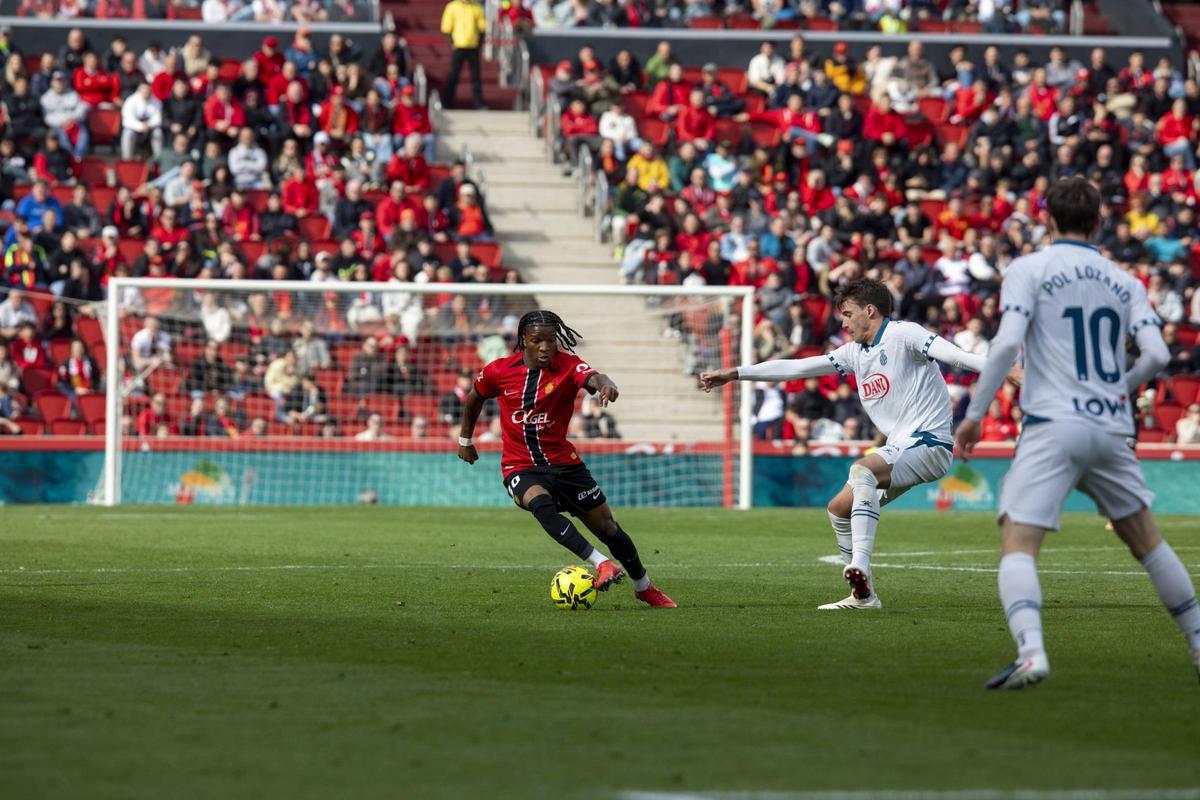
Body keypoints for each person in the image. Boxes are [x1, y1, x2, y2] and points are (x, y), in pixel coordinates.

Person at [954, 177, 1200, 689]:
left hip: (1053, 422)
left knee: (1018, 542)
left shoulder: (1028, 268)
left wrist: (976, 414)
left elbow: (1005, 347)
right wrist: (1119, 389)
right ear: (1099, 221)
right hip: (1112, 426)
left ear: (1047, 220)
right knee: (1148, 542)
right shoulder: (1125, 281)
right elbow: (1156, 356)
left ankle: (1031, 652)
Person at [701, 278, 999, 610]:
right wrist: (736, 373)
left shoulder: (904, 334)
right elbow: (796, 368)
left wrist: (1007, 370)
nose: (842, 323)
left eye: (847, 314)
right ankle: (863, 595)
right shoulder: (855, 354)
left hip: (929, 442)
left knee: (862, 469)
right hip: (904, 446)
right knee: (838, 509)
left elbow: (958, 357)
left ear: (869, 311)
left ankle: (858, 564)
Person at [458, 310, 676, 608]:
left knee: (609, 529)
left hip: (565, 465)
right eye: (538, 341)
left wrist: (605, 385)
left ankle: (643, 587)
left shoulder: (569, 366)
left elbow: (594, 376)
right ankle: (601, 563)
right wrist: (465, 440)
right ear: (524, 341)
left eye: (551, 341)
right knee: (539, 503)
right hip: (519, 466)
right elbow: (474, 397)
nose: (546, 347)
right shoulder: (498, 371)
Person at [440, 0, 486, 110]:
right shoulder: (452, 7)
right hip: (459, 46)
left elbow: (482, 28)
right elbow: (446, 27)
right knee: (453, 76)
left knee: (476, 77)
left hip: (472, 46)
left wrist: (478, 44)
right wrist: (452, 42)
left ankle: (478, 103)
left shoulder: (476, 8)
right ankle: (447, 103)